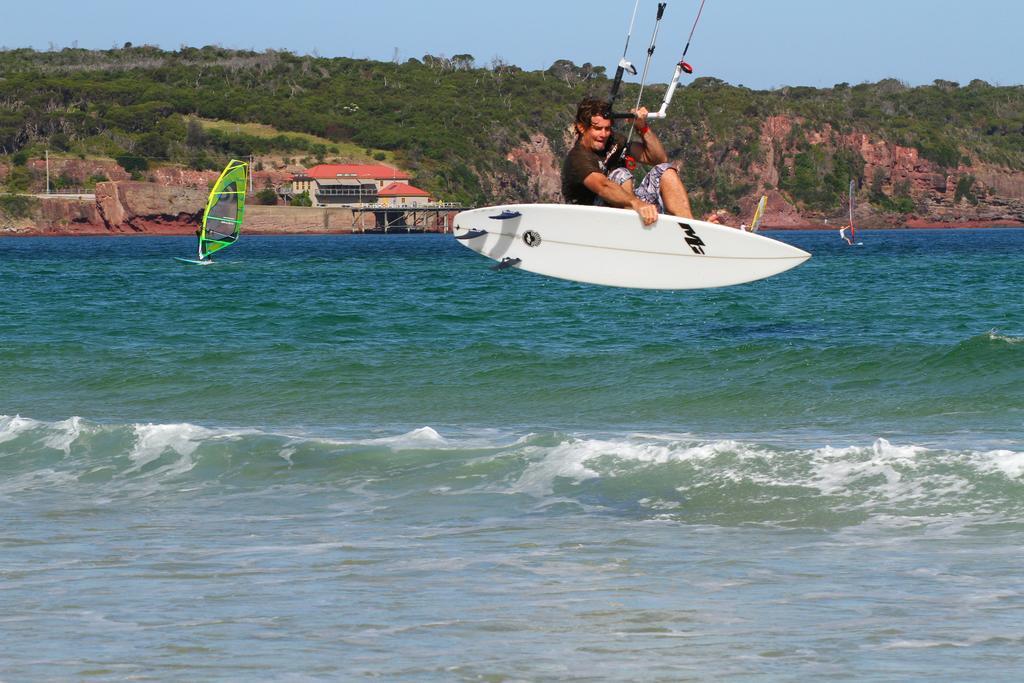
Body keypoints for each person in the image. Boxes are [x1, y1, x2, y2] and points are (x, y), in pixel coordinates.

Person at [561, 96, 716, 226]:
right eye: (597, 129)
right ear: (582, 128)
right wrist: (637, 203)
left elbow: (657, 158)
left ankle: (690, 229)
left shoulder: (613, 141)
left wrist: (642, 127)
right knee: (621, 174)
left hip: (627, 208)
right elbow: (603, 186)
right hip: (591, 220)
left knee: (665, 171)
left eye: (607, 129)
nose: (604, 134)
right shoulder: (577, 158)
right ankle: (632, 225)